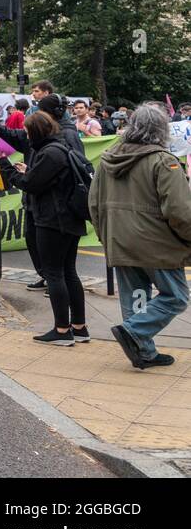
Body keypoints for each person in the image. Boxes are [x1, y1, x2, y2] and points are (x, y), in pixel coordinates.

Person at [89, 104, 191, 369]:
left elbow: (94, 203)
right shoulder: (163, 160)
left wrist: (105, 235)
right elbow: (180, 211)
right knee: (176, 296)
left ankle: (143, 351)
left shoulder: (108, 158)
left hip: (119, 238)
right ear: (161, 129)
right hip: (156, 242)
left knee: (136, 295)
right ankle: (135, 332)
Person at [11, 111, 90, 345]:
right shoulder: (60, 148)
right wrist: (30, 171)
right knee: (69, 272)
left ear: (36, 131)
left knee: (54, 273)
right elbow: (45, 179)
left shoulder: (50, 153)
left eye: (27, 131)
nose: (25, 135)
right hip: (70, 219)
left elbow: (31, 185)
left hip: (54, 220)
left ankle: (62, 330)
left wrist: (6, 168)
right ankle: (79, 326)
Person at [0, 93, 82, 292]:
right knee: (36, 244)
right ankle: (55, 286)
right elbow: (12, 139)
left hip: (54, 210)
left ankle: (56, 288)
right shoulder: (44, 141)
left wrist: (4, 160)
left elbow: (33, 182)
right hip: (44, 206)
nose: (26, 136)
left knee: (60, 269)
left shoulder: (60, 141)